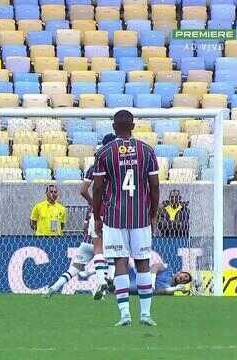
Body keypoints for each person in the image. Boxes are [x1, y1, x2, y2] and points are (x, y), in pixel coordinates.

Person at [93, 110, 160, 327]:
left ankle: (124, 315)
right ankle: (146, 314)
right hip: (140, 215)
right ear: (133, 126)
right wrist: (153, 212)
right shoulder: (147, 151)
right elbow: (155, 186)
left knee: (120, 262)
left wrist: (96, 216)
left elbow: (98, 188)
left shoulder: (104, 153)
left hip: (114, 216)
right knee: (142, 263)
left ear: (114, 127)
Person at [45, 134, 116, 298]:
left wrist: (93, 204)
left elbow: (83, 190)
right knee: (114, 251)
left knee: (81, 261)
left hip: (96, 219)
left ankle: (55, 288)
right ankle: (105, 279)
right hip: (115, 214)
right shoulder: (120, 168)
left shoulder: (95, 167)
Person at [129, 262, 193, 296]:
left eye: (185, 280)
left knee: (123, 288)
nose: (184, 278)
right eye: (185, 276)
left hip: (139, 286)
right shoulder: (168, 270)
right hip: (137, 274)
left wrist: (175, 289)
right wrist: (152, 285)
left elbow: (156, 293)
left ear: (182, 284)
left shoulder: (170, 291)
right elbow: (155, 266)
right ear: (180, 272)